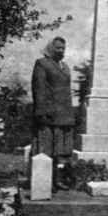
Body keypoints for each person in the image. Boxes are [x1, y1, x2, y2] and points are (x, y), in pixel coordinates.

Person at [31, 36, 75, 191]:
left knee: (61, 152)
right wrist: (41, 113)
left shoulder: (65, 67)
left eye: (63, 48)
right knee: (46, 150)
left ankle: (57, 180)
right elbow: (39, 89)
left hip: (64, 116)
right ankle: (43, 182)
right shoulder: (42, 64)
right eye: (58, 48)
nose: (61, 51)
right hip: (49, 116)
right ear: (50, 48)